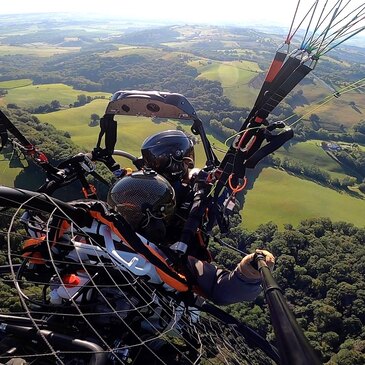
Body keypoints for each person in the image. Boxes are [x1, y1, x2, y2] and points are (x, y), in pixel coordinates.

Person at [108, 169, 275, 305]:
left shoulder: (92, 224)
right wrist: (250, 272)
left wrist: (248, 272)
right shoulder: (166, 257)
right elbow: (221, 289)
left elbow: (221, 289)